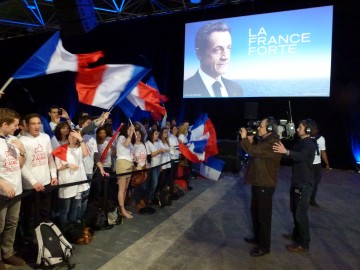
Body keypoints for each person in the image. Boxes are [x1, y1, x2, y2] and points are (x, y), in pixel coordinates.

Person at [240, 117, 282, 257]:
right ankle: (257, 238)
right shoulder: (265, 141)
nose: (259, 128)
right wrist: (251, 142)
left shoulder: (272, 143)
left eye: (262, 126)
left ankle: (264, 247)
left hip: (265, 184)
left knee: (263, 217)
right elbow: (255, 151)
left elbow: (253, 151)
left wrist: (245, 138)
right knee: (255, 213)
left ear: (270, 129)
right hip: (259, 182)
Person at [273, 119, 316, 252]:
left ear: (308, 130)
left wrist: (286, 152)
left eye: (300, 127)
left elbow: (301, 156)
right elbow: (291, 155)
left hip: (304, 183)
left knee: (300, 214)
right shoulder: (301, 142)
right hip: (297, 182)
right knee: (294, 210)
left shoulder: (309, 144)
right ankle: (297, 235)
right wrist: (279, 150)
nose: (297, 129)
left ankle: (304, 243)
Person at [19, 113, 58, 241]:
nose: (37, 126)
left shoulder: (46, 137)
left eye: (39, 123)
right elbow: (21, 165)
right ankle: (32, 242)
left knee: (45, 213)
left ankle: (46, 240)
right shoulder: (21, 141)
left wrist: (53, 175)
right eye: (33, 123)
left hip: (46, 182)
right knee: (30, 215)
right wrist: (33, 182)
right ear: (27, 125)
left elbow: (49, 157)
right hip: (31, 186)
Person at [184, 21, 243, 98]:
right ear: (199, 53)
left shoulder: (237, 89)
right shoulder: (187, 88)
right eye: (218, 49)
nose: (225, 57)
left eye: (228, 48)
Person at [0, 108, 27, 268]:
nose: (17, 128)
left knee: (12, 223)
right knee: (0, 225)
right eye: (15, 125)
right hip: (1, 193)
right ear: (4, 124)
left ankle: (8, 253)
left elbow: (19, 166)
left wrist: (23, 152)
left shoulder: (12, 140)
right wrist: (2, 183)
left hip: (16, 190)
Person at [115, 123, 135, 219]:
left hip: (129, 164)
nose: (131, 131)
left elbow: (130, 150)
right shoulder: (122, 137)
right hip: (122, 164)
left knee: (126, 189)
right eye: (129, 129)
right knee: (122, 189)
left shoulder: (129, 140)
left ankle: (123, 208)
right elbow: (126, 144)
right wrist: (130, 134)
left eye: (132, 130)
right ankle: (122, 209)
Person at [310, 122, 330, 207]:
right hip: (308, 163)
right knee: (306, 183)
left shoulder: (321, 139)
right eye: (311, 128)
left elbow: (323, 152)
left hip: (317, 164)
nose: (312, 130)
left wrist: (327, 164)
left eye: (314, 128)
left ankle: (312, 199)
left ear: (317, 130)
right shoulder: (306, 138)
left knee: (316, 183)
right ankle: (302, 198)